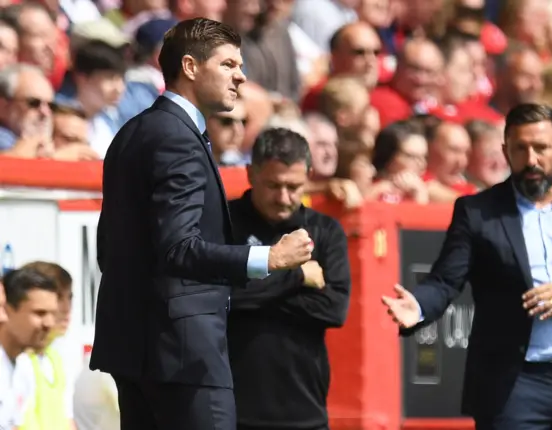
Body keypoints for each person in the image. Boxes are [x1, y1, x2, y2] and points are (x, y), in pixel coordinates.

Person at [90, 18, 314, 430]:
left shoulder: (134, 131)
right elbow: (179, 248)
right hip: (182, 353)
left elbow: (112, 248)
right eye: (229, 64)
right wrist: (272, 256)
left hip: (137, 348)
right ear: (191, 67)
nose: (241, 76)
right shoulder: (176, 137)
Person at [382, 103, 552, 430]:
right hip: (511, 385)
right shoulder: (477, 212)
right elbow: (445, 282)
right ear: (506, 151)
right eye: (520, 148)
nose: (531, 159)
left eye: (541, 148)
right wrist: (416, 307)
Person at [227, 128, 351, 430]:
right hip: (231, 410)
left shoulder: (326, 231)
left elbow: (333, 309)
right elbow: (220, 298)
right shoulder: (223, 223)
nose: (283, 197)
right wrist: (295, 277)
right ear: (250, 174)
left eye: (294, 186)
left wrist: (253, 289)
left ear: (308, 175)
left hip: (304, 411)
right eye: (273, 185)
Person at [0, 269, 59, 430]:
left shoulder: (25, 368)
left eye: (53, 314)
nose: (49, 324)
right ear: (7, 310)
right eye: (39, 313)